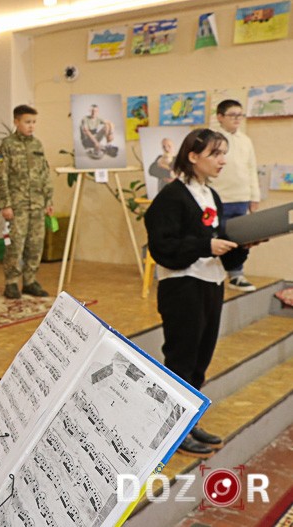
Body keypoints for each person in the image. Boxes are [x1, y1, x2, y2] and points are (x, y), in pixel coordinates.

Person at [144, 129, 249, 458]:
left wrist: (240, 246)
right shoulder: (171, 197)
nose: (223, 160)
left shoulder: (210, 195)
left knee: (200, 360)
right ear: (193, 156)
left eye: (223, 153)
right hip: (183, 285)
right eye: (216, 154)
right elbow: (163, 247)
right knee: (181, 359)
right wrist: (206, 245)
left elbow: (217, 242)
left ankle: (186, 422)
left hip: (211, 283)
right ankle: (169, 432)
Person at [0, 104, 54, 299]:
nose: (31, 126)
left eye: (34, 122)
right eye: (27, 122)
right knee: (16, 244)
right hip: (17, 205)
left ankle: (30, 280)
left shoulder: (37, 145)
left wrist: (48, 200)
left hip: (37, 203)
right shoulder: (8, 145)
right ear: (16, 122)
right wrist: (6, 204)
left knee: (35, 244)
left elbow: (45, 173)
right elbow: (0, 175)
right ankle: (11, 282)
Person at [211, 99, 261, 292]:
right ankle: (214, 275)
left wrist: (253, 197)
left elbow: (251, 169)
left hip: (242, 198)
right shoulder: (213, 140)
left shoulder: (246, 140)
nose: (237, 119)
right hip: (219, 198)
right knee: (219, 237)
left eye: (240, 115)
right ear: (220, 117)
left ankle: (236, 275)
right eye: (232, 115)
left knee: (240, 238)